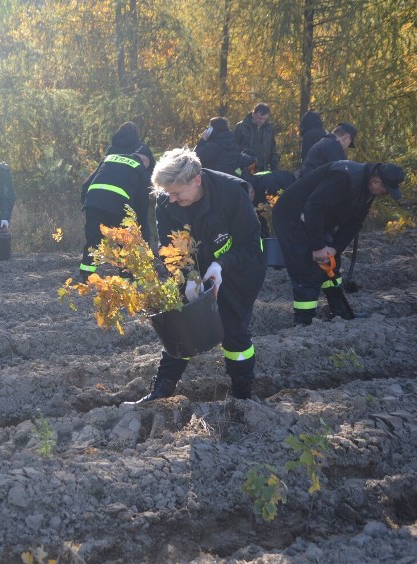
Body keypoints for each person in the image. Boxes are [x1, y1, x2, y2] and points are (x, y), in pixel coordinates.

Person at [134, 148, 265, 403]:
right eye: (166, 193)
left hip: (240, 270)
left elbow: (249, 244)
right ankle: (161, 391)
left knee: (234, 332)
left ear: (196, 180)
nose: (170, 199)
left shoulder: (230, 193)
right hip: (197, 270)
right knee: (179, 324)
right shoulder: (167, 203)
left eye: (176, 193)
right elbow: (170, 251)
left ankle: (242, 396)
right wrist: (186, 278)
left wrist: (220, 265)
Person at [272, 160, 405, 326]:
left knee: (332, 264)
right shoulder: (344, 177)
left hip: (316, 219)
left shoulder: (367, 189)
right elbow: (314, 207)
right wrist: (318, 247)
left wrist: (334, 249)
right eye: (386, 190)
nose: (385, 194)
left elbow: (354, 224)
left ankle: (340, 312)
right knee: (306, 268)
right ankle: (303, 323)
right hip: (291, 216)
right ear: (376, 181)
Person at [79, 134, 152, 281]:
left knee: (94, 240)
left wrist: (87, 204)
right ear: (144, 160)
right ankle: (126, 274)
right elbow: (142, 204)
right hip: (118, 204)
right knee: (124, 240)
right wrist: (142, 230)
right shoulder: (140, 168)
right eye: (148, 163)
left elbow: (86, 185)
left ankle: (86, 274)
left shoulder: (110, 158)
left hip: (93, 202)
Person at [234, 102, 280, 171]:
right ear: (253, 114)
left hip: (263, 169)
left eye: (264, 119)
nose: (262, 121)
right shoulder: (241, 127)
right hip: (244, 168)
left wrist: (275, 170)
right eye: (260, 118)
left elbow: (273, 151)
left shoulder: (269, 129)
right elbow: (234, 148)